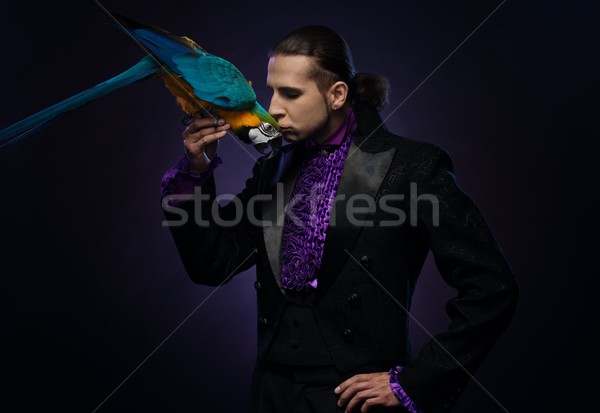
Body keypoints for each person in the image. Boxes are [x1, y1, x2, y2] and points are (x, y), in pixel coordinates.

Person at [160, 25, 518, 413]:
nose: (273, 107)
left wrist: (415, 382)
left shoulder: (413, 166)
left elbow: (492, 287)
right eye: (272, 90)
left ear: (337, 94)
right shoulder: (271, 168)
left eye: (291, 93)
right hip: (269, 394)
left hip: (355, 402)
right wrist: (197, 170)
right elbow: (214, 264)